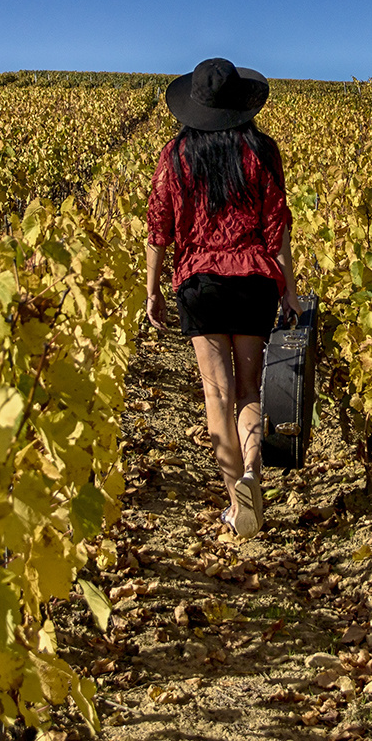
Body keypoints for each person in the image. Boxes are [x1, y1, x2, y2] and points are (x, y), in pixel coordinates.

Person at [145, 58, 302, 539]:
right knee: (248, 390)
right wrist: (289, 289)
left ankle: (237, 500)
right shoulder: (262, 149)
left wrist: (151, 291)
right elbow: (278, 226)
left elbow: (159, 229)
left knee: (215, 393)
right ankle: (253, 472)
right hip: (253, 281)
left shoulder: (175, 155)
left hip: (200, 283)